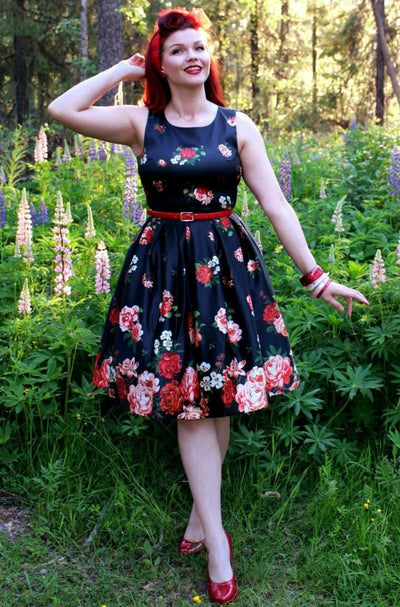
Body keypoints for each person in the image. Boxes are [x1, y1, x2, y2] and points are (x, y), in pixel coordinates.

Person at [48, 7, 369, 604]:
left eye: (200, 47)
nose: (192, 56)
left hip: (225, 271)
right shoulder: (143, 123)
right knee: (190, 400)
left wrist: (317, 278)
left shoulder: (236, 125)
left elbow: (277, 205)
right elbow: (60, 111)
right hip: (162, 272)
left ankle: (202, 516)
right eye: (177, 50)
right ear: (161, 64)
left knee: (214, 393)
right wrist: (123, 67)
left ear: (209, 59)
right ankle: (217, 540)